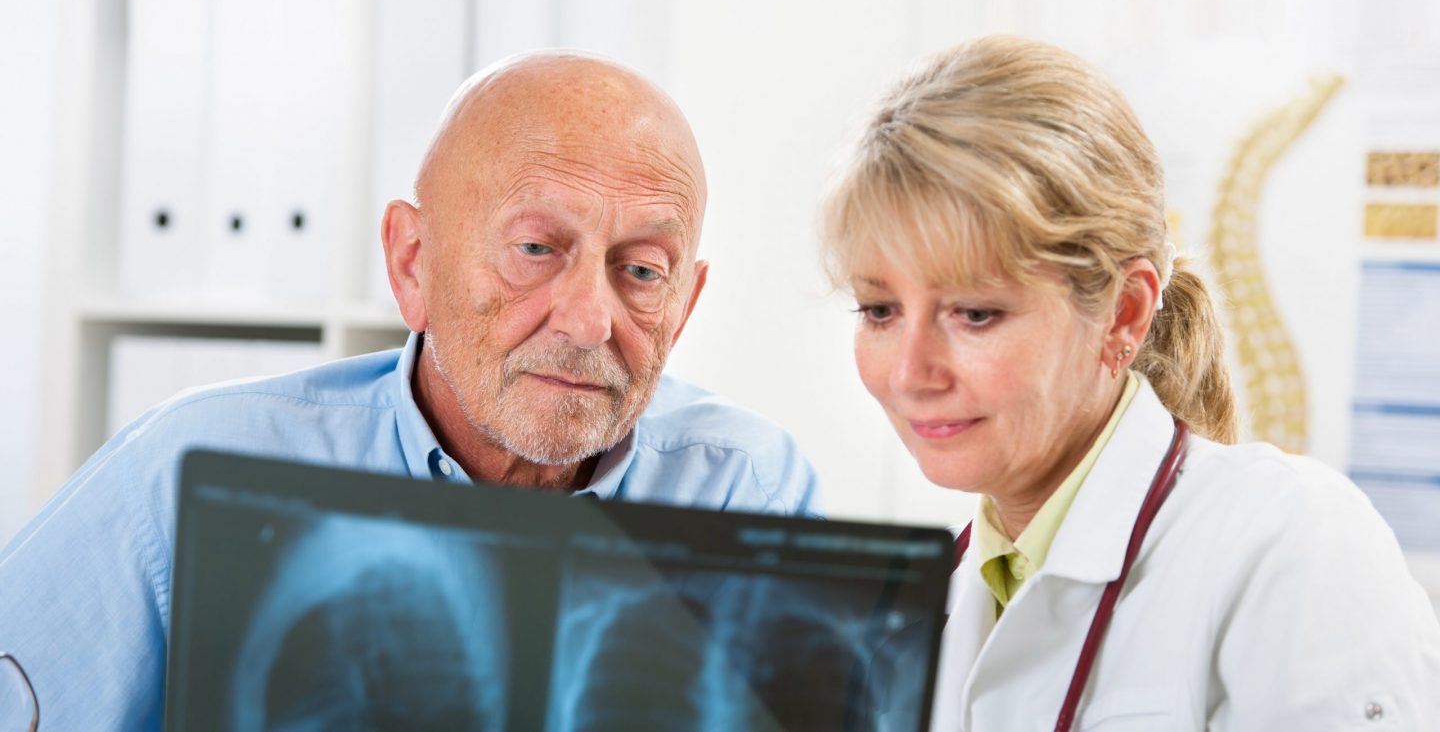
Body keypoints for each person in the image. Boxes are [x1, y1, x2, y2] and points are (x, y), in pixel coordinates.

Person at [0, 51, 821, 729]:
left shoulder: (744, 494)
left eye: (641, 270)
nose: (586, 321)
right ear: (412, 263)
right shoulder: (187, 471)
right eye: (536, 249)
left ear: (683, 307)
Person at [821, 36, 1440, 730]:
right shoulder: (928, 607)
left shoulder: (1292, 546)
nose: (910, 373)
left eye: (975, 314)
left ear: (1124, 312)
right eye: (880, 310)